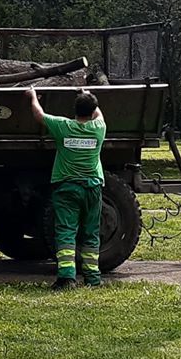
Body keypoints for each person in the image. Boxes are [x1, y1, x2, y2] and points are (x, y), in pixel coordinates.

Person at [27, 86, 106, 289]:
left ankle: (66, 278)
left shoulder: (63, 127)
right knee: (91, 233)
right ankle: (92, 279)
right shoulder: (98, 128)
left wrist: (33, 95)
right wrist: (86, 93)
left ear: (75, 110)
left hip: (67, 187)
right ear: (93, 110)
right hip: (93, 187)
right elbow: (99, 114)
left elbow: (39, 115)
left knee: (66, 231)